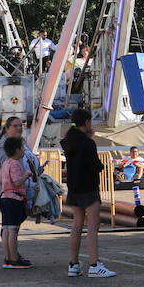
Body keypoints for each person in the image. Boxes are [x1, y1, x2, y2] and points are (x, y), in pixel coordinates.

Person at [60, 109, 116, 278]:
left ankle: (73, 264)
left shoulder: (68, 141)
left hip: (73, 187)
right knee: (93, 226)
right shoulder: (87, 142)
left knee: (77, 225)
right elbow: (94, 165)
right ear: (86, 122)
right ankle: (94, 264)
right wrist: (104, 166)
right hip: (89, 187)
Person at [0, 136, 32, 268]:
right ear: (17, 150)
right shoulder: (15, 164)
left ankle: (7, 258)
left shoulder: (5, 163)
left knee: (5, 229)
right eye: (22, 148)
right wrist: (27, 174)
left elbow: (1, 180)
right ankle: (14, 258)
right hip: (14, 199)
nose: (23, 150)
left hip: (4, 197)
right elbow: (17, 181)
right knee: (13, 230)